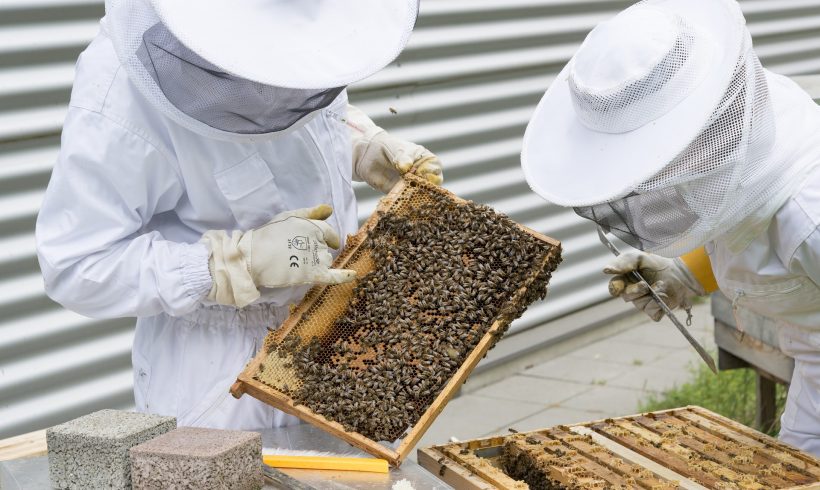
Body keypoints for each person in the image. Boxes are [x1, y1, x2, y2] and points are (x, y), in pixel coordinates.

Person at [35, 0, 442, 430]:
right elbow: (75, 264)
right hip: (219, 384)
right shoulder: (119, 95)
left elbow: (297, 99)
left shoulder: (299, 26)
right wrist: (226, 265)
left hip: (338, 342)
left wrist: (362, 144)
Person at [520, 0, 820, 454]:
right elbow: (743, 228)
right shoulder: (733, 156)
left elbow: (785, 233)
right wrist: (687, 274)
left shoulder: (809, 217)